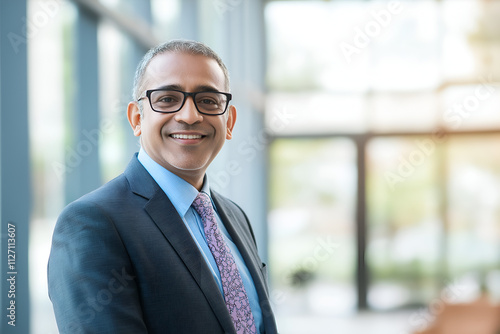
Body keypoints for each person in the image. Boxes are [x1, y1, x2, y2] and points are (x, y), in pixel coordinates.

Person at [48, 39, 278, 334]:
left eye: (208, 100)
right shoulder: (92, 223)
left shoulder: (234, 216)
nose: (189, 116)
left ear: (228, 121)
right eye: (168, 99)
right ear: (136, 118)